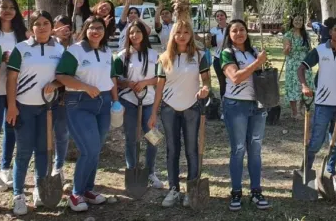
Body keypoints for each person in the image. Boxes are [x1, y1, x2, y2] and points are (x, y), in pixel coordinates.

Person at [55, 16, 119, 212]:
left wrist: (115, 100)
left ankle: (88, 190)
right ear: (85, 29)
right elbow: (61, 76)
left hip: (104, 103)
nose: (96, 31)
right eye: (92, 28)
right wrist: (85, 86)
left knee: (96, 148)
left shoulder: (108, 51)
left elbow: (112, 77)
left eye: (99, 28)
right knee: (89, 149)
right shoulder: (75, 50)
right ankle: (75, 194)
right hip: (79, 103)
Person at [5, 10, 65, 215]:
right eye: (37, 23)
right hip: (24, 108)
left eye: (45, 23)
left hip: (49, 109)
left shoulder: (59, 49)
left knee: (43, 150)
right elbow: (11, 78)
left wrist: (55, 83)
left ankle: (40, 189)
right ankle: (18, 194)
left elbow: (65, 76)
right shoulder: (21, 48)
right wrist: (12, 106)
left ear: (51, 26)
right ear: (31, 27)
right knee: (23, 152)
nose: (41, 27)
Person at [148, 20, 209, 207]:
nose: (182, 36)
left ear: (191, 34)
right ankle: (173, 189)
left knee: (192, 150)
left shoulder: (199, 56)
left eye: (185, 32)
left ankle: (191, 190)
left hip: (192, 108)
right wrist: (153, 113)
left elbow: (206, 80)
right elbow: (159, 88)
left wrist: (205, 89)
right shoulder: (164, 58)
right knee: (172, 150)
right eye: (178, 32)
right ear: (172, 35)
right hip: (169, 109)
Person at [298, 17, 336, 193]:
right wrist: (304, 85)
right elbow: (302, 68)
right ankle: (305, 173)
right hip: (323, 104)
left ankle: (330, 175)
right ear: (330, 32)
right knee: (315, 142)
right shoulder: (320, 50)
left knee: (335, 144)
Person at [220, 20, 270, 211]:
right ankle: (236, 192)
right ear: (229, 34)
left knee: (255, 150)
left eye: (242, 29)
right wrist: (257, 64)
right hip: (236, 106)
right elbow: (235, 77)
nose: (239, 33)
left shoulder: (254, 51)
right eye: (234, 30)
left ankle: (256, 191)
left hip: (257, 104)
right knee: (239, 149)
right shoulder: (227, 53)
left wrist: (261, 62)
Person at [115, 20, 163, 191]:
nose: (134, 35)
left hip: (149, 101)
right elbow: (115, 80)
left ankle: (150, 171)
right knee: (131, 138)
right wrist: (128, 83)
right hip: (129, 102)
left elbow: (160, 78)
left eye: (138, 32)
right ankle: (132, 169)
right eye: (131, 32)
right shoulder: (122, 56)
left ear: (144, 34)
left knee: (154, 137)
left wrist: (145, 83)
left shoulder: (154, 55)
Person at [0, 0, 27, 190]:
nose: (7, 10)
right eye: (3, 7)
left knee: (12, 127)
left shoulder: (21, 34)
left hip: (17, 89)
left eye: (12, 7)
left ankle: (6, 167)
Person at [51, 16, 73, 182]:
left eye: (67, 27)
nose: (64, 29)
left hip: (64, 97)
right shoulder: (47, 43)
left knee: (62, 133)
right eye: (60, 26)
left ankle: (58, 167)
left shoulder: (74, 47)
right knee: (44, 134)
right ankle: (44, 167)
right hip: (44, 96)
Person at [283, 15, 314, 119]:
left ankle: (300, 109)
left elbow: (309, 49)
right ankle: (294, 111)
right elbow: (285, 52)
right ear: (292, 21)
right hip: (293, 64)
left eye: (301, 19)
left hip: (305, 64)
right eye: (296, 20)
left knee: (304, 85)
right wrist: (287, 49)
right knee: (293, 86)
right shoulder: (288, 35)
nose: (298, 21)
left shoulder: (306, 35)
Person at [208, 10, 228, 100]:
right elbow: (209, 45)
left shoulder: (231, 28)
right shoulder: (213, 30)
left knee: (230, 80)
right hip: (218, 58)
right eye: (217, 16)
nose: (220, 17)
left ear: (225, 17)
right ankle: (223, 100)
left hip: (230, 58)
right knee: (222, 81)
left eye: (221, 15)